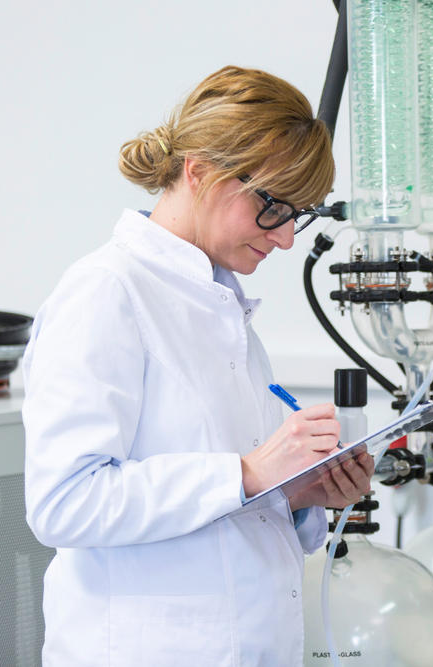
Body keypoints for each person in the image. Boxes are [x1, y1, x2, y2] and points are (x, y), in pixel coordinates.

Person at [22, 65, 374, 667]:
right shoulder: (106, 293)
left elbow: (229, 505)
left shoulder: (223, 307)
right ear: (200, 171)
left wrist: (297, 493)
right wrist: (246, 473)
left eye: (300, 215)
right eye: (274, 207)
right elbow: (63, 503)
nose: (287, 239)